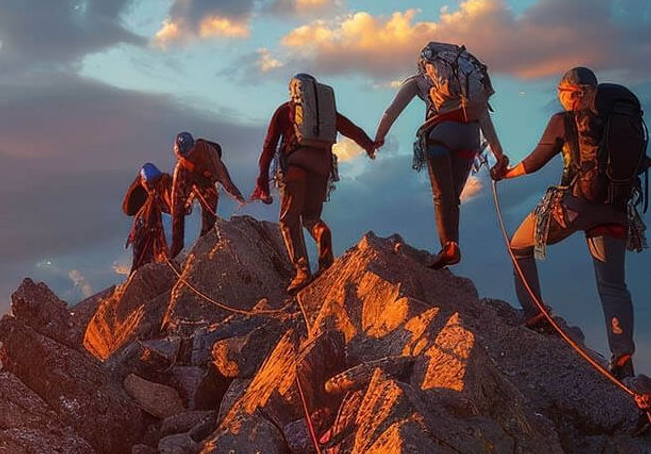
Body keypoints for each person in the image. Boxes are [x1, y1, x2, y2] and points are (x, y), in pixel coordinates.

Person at [493, 67, 646, 379]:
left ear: (575, 93)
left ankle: (535, 313)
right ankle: (622, 354)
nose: (559, 96)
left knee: (518, 247)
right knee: (613, 285)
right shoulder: (617, 123)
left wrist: (504, 175)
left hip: (573, 206)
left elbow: (535, 162)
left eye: (561, 91)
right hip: (616, 210)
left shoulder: (563, 121)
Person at [374, 42, 505, 269]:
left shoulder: (417, 82)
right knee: (452, 197)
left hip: (441, 134)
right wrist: (499, 154)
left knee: (441, 194)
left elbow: (390, 112)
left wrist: (377, 138)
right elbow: (483, 116)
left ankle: (449, 247)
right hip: (470, 137)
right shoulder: (467, 83)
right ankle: (452, 244)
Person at [251, 73, 376, 293]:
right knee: (311, 218)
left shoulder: (285, 111)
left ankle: (302, 273)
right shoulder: (327, 113)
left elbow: (269, 147)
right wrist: (369, 145)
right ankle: (323, 240)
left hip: (296, 169)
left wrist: (261, 179)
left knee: (289, 221)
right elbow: (352, 130)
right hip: (322, 168)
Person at [169, 132, 245, 258]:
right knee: (178, 211)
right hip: (191, 179)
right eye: (182, 156)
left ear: (193, 148)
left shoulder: (208, 155)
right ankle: (177, 252)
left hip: (206, 181)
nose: (186, 158)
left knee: (209, 217)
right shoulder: (181, 168)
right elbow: (176, 205)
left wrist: (241, 200)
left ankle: (206, 248)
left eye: (188, 154)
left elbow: (226, 181)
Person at [123, 163, 173, 273]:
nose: (152, 187)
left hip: (156, 225)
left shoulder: (164, 186)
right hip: (146, 229)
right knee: (141, 256)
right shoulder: (141, 193)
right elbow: (129, 210)